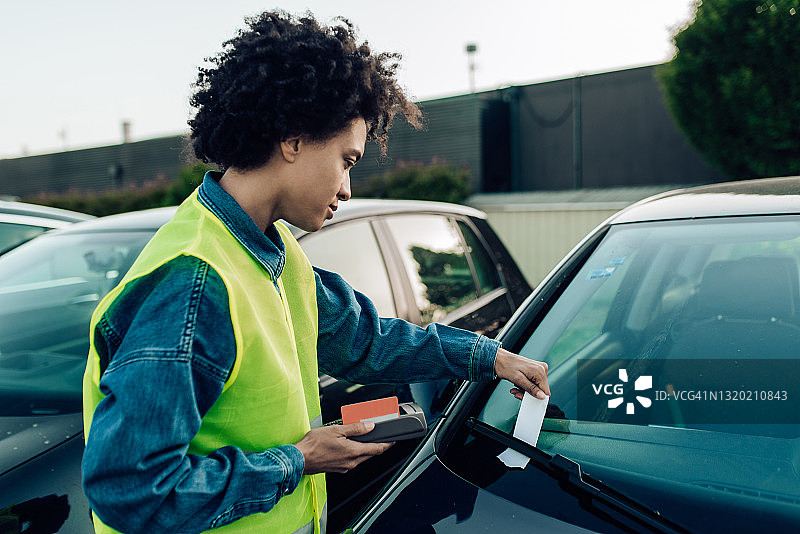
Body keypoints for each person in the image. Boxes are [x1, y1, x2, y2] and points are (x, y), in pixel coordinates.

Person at [81, 10, 550, 534]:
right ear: (294, 139)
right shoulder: (195, 284)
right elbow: (133, 491)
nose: (347, 188)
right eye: (347, 161)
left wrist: (488, 357)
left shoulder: (273, 247)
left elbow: (364, 340)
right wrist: (299, 460)